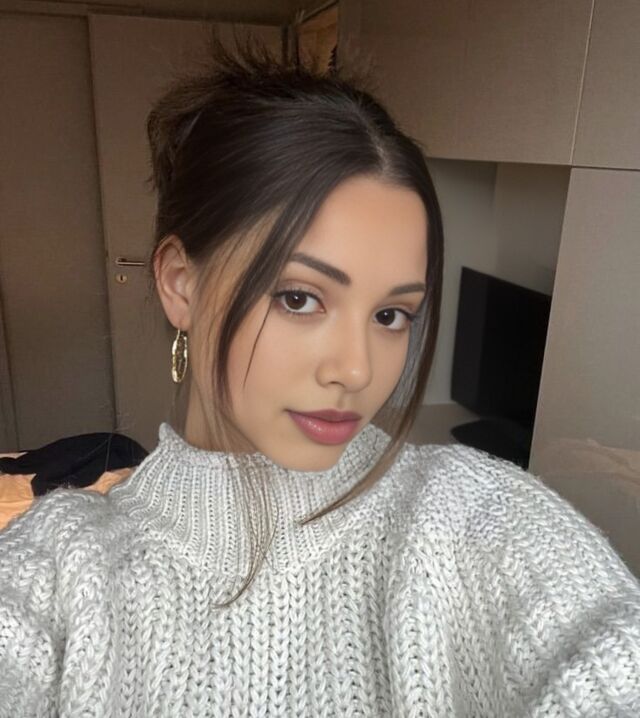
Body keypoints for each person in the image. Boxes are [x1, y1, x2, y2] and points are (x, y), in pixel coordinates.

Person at [1, 33, 639, 718]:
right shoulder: (58, 569)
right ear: (181, 283)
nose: (358, 369)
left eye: (392, 314)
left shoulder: (473, 517)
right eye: (300, 298)